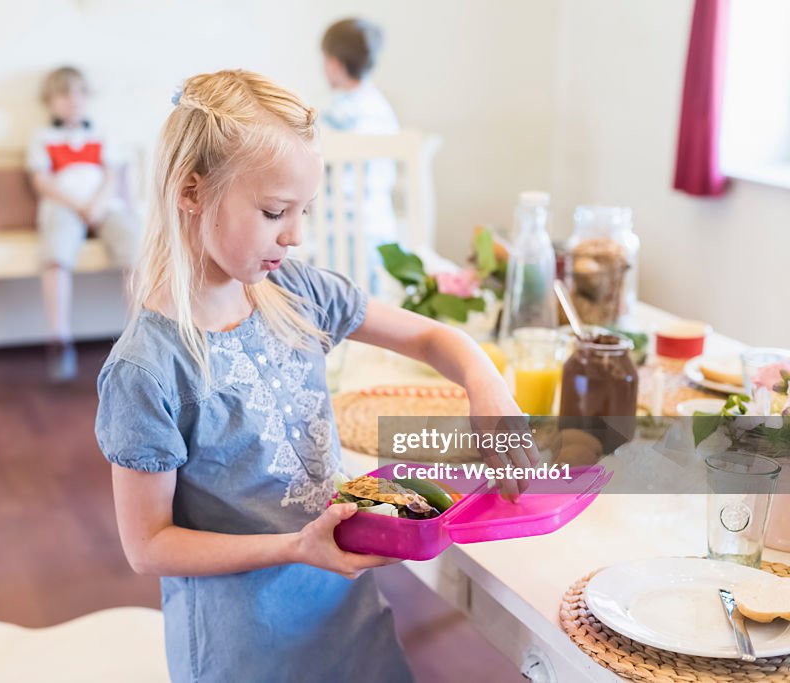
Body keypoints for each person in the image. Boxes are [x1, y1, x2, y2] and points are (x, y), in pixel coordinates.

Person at [94, 70, 534, 683]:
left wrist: (483, 384)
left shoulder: (293, 291)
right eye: (275, 212)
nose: (296, 235)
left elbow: (436, 337)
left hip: (345, 615)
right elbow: (149, 546)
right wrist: (295, 547)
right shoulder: (148, 369)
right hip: (246, 645)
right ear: (191, 191)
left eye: (305, 210)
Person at [27, 66, 138, 381]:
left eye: (79, 93)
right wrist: (77, 206)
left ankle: (139, 332)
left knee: (133, 247)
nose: (73, 100)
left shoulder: (102, 134)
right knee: (55, 255)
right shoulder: (43, 138)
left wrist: (97, 204)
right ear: (50, 101)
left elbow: (112, 175)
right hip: (64, 206)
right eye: (64, 94)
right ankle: (59, 338)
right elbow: (41, 180)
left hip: (103, 204)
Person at [320, 18, 400, 291]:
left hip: (336, 236)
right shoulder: (382, 108)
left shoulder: (334, 112)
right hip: (380, 229)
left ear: (333, 63)